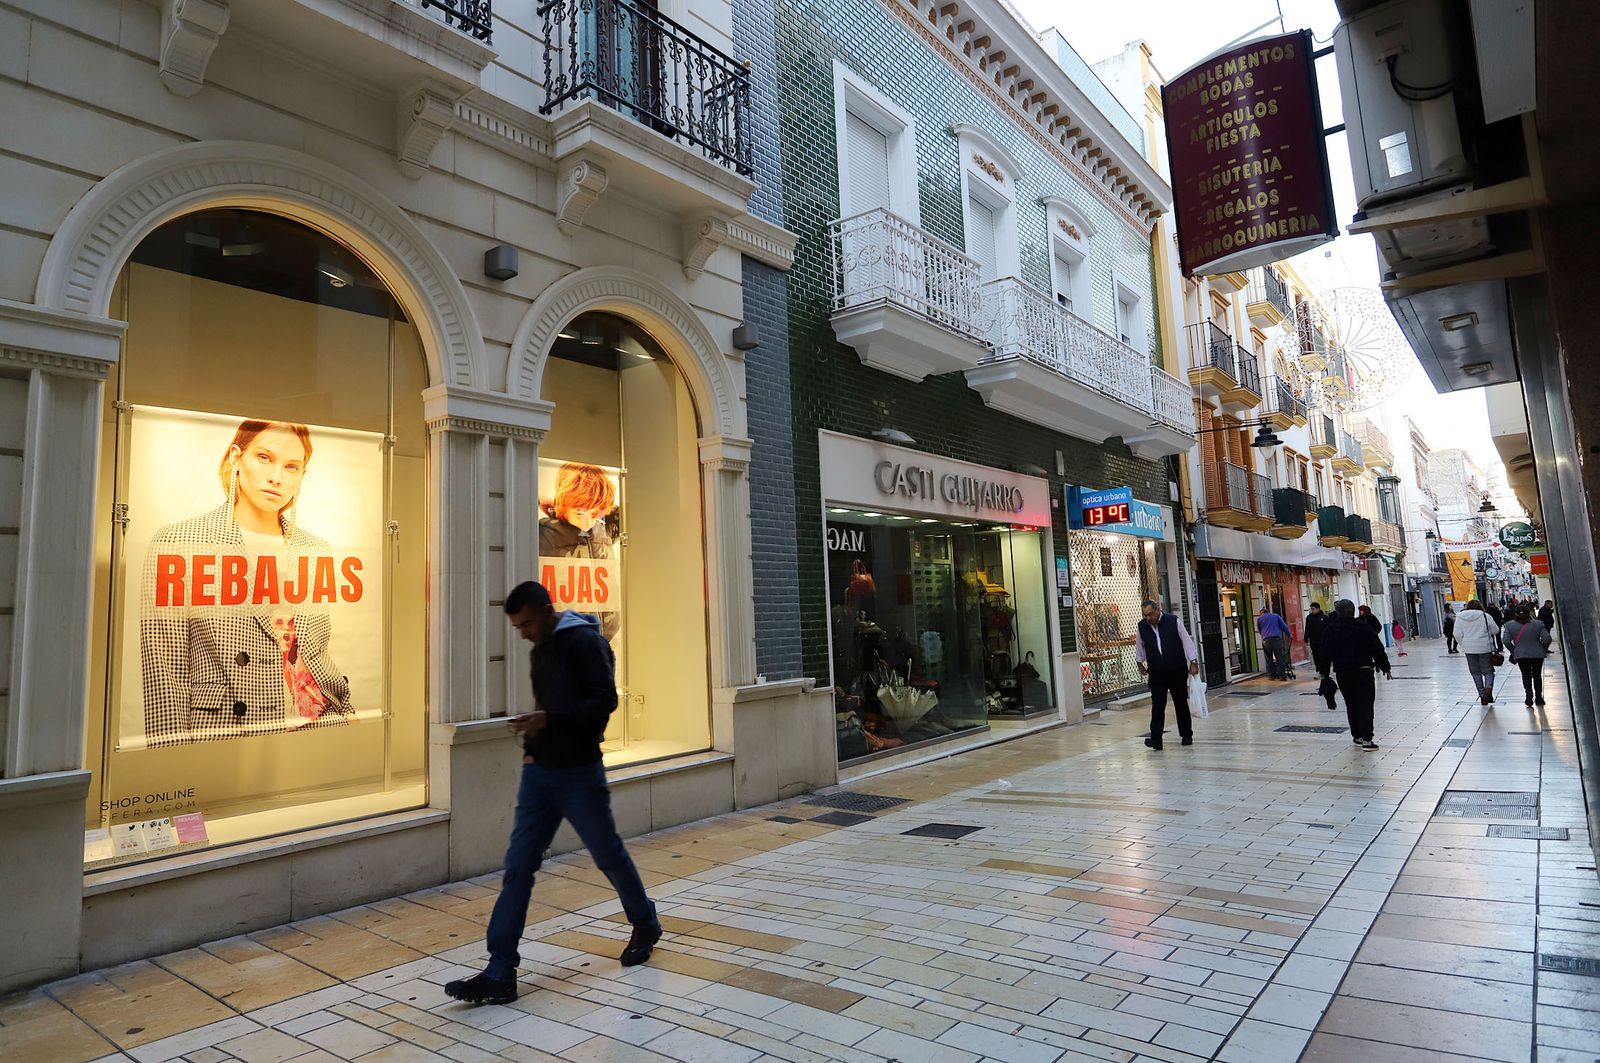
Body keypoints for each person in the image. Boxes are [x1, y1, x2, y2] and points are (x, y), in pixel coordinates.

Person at [446, 581, 662, 1006]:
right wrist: (533, 745)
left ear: (546, 611)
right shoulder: (538, 649)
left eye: (527, 623)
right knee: (517, 867)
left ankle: (645, 921)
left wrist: (550, 720)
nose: (523, 632)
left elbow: (605, 701)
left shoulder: (584, 641)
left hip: (580, 772)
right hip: (539, 774)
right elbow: (550, 710)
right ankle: (500, 971)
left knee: (607, 854)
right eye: (517, 626)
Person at [140, 419, 353, 746]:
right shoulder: (180, 541)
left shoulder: (313, 548)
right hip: (230, 728)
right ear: (236, 457)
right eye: (265, 457)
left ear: (302, 476)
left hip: (320, 726)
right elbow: (164, 673)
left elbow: (314, 652)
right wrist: (172, 759)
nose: (276, 477)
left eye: (292, 466)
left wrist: (346, 712)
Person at [540, 462, 621, 643]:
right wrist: (556, 505)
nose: (587, 523)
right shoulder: (544, 533)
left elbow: (628, 511)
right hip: (564, 647)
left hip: (603, 643)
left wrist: (589, 501)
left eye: (594, 514)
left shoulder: (603, 529)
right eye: (580, 513)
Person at [1321, 599, 1391, 750]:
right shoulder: (1363, 627)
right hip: (1364, 670)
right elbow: (1376, 647)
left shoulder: (1331, 629)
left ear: (1337, 611)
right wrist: (1385, 666)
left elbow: (1324, 654)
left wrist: (1324, 674)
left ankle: (1357, 735)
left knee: (1351, 704)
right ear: (1352, 611)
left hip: (1343, 673)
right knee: (1366, 704)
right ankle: (1367, 739)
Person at [1134, 600, 1200, 751]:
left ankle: (1186, 734)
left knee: (1181, 703)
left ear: (1158, 610)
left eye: (1150, 614)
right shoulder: (1142, 627)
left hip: (1177, 670)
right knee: (1157, 705)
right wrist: (1140, 662)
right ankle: (1156, 739)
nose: (1148, 618)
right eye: (1145, 615)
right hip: (1156, 673)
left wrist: (1193, 661)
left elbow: (1187, 641)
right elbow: (1140, 646)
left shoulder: (1173, 621)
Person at [1502, 604, 1553, 707]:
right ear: (1529, 613)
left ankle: (1528, 695)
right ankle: (1538, 697)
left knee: (1526, 675)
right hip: (1537, 654)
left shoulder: (1509, 625)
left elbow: (1506, 640)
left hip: (1521, 654)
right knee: (1537, 675)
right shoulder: (1539, 624)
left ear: (1515, 614)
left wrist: (1514, 650)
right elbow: (1547, 638)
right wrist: (1542, 648)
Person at [1455, 599, 1503, 706]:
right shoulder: (1485, 616)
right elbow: (1495, 630)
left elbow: (1457, 634)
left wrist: (1464, 643)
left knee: (1475, 672)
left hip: (1469, 649)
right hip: (1485, 647)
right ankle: (1488, 689)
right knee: (1488, 671)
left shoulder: (1460, 617)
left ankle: (1482, 695)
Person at [1255, 606, 1292, 680]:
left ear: (1261, 613)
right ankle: (1282, 676)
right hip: (1276, 639)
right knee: (1279, 657)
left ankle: (1271, 676)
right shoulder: (1276, 616)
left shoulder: (1259, 619)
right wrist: (1289, 634)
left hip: (1265, 640)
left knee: (1268, 658)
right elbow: (1284, 626)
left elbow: (1259, 631)